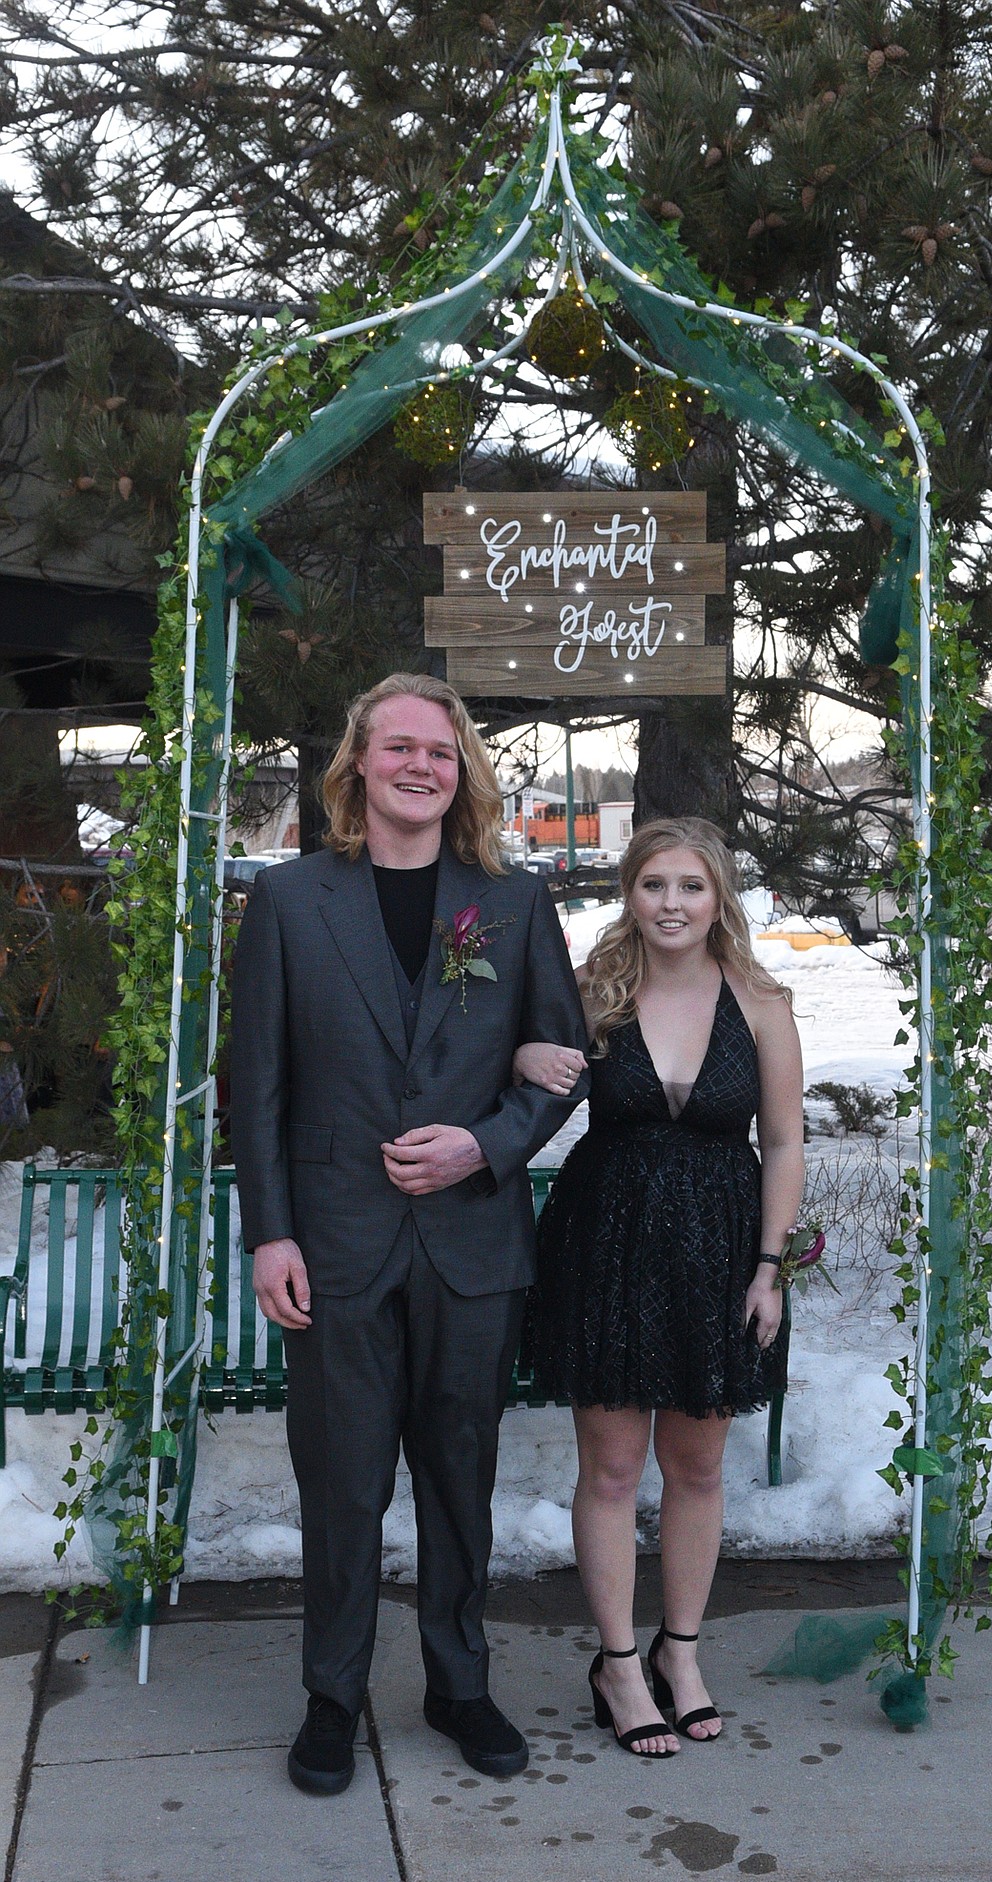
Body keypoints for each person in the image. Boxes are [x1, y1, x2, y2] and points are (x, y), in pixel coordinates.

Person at [230, 672, 587, 1795]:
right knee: (340, 1483)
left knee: (458, 1476)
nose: (420, 766)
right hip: (333, 1246)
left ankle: (458, 1682)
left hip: (471, 1246)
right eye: (399, 748)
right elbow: (258, 1089)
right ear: (359, 763)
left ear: (462, 769)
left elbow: (565, 1063)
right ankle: (332, 1695)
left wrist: (484, 1144)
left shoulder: (515, 903)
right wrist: (270, 1233)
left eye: (441, 750)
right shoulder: (289, 900)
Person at [515, 817, 803, 1756]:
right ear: (629, 895)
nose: (671, 903)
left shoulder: (761, 1000)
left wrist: (769, 1267)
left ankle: (682, 1653)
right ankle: (618, 1662)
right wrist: (524, 1056)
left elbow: (787, 1141)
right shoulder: (594, 992)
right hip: (609, 1245)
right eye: (652, 885)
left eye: (690, 885)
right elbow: (520, 1064)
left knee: (700, 1466)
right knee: (609, 1469)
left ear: (719, 898)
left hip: (721, 1254)